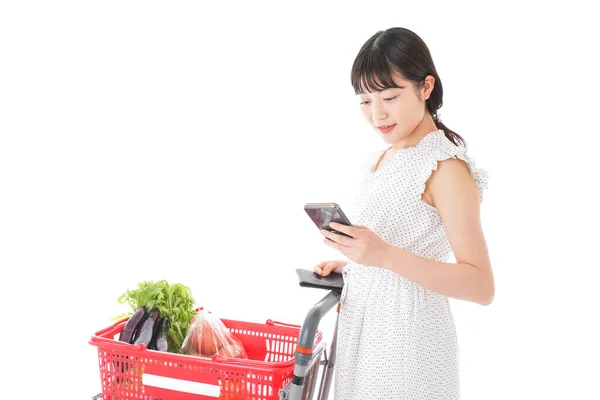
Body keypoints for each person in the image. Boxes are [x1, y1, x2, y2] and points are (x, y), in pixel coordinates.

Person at [313, 27, 494, 399]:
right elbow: (401, 248)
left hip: (410, 346)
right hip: (365, 337)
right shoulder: (381, 158)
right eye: (365, 101)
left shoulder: (445, 167)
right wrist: (358, 263)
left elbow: (481, 286)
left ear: (426, 87)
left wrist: (383, 256)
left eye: (390, 97)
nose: (377, 114)